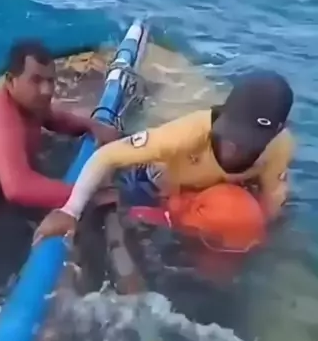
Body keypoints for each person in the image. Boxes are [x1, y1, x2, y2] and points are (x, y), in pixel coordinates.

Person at [33, 70, 295, 249]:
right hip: (158, 187)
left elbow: (273, 200)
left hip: (212, 203)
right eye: (232, 134)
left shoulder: (280, 146)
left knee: (244, 224)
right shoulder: (189, 133)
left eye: (249, 142)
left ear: (276, 132)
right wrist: (70, 211)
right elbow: (106, 155)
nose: (235, 148)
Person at [0, 40, 120, 210]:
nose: (46, 90)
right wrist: (88, 195)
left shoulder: (29, 103)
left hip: (2, 177)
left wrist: (94, 126)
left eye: (50, 80)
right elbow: (18, 189)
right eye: (36, 80)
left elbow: (54, 119)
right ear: (11, 81)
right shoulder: (3, 123)